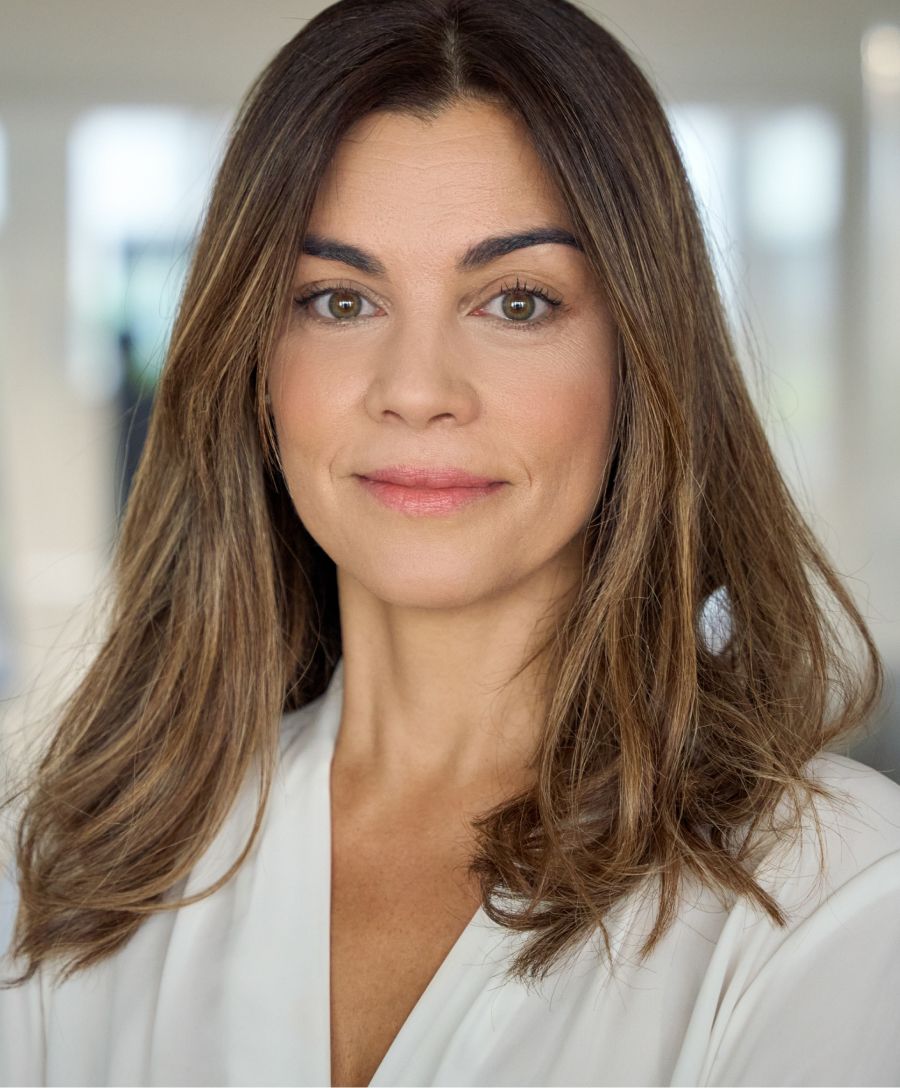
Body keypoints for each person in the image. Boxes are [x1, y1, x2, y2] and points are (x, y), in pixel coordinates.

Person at [2, 0, 900, 1084]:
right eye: (339, 301)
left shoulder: (838, 891)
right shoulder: (73, 862)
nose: (418, 389)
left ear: (642, 357)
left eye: (516, 302)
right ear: (255, 364)